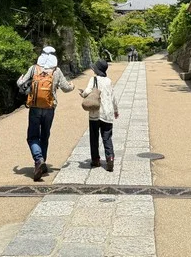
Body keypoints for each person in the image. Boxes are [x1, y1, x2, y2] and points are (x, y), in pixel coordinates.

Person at [17, 46, 74, 181]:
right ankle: (42, 163)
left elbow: (21, 84)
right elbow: (66, 88)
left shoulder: (34, 68)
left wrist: (19, 79)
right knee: (45, 135)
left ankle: (38, 160)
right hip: (49, 108)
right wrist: (72, 86)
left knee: (32, 137)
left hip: (35, 107)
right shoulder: (56, 71)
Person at [79, 59, 119, 172]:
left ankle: (95, 160)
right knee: (107, 137)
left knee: (94, 137)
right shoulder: (109, 81)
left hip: (95, 113)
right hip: (107, 113)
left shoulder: (94, 79)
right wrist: (116, 110)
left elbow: (87, 92)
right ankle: (110, 157)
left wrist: (82, 93)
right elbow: (113, 98)